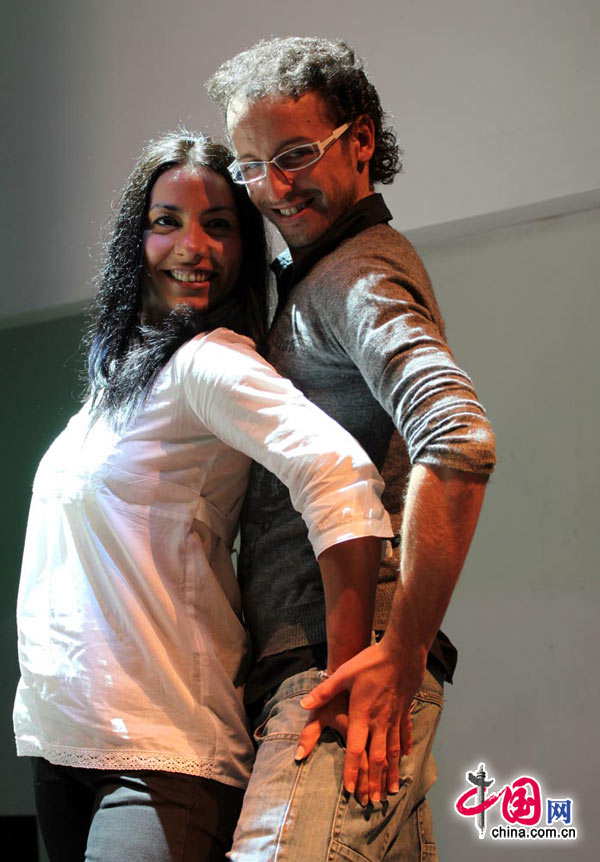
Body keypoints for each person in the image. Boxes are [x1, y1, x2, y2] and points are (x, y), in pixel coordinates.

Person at [12, 130, 394, 862]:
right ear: (136, 238)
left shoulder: (208, 362)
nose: (194, 246)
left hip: (160, 755)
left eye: (218, 225)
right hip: (63, 746)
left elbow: (339, 474)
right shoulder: (115, 383)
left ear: (243, 246)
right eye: (168, 221)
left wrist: (347, 673)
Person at [207, 36, 496, 860]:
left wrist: (397, 656)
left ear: (360, 140)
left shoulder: (357, 273)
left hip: (342, 670)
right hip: (325, 667)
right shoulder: (316, 273)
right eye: (252, 165)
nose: (274, 187)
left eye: (296, 154)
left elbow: (460, 436)